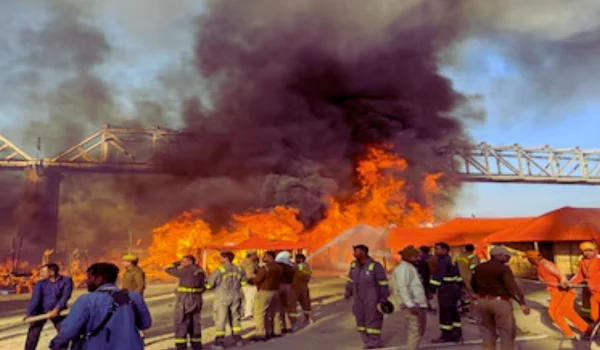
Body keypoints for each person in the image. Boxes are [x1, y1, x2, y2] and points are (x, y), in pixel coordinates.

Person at [49, 262, 151, 350]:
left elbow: (68, 331)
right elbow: (145, 324)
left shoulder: (86, 300)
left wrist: (55, 343)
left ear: (100, 279)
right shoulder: (134, 297)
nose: (86, 281)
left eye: (89, 277)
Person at [472, 245, 530, 350]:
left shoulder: (478, 267)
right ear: (499, 256)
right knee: (506, 331)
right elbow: (512, 287)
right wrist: (522, 303)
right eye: (507, 256)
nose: (509, 258)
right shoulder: (503, 268)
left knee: (487, 332)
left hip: (482, 302)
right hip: (500, 302)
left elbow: (473, 284)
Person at [526, 250, 591, 339]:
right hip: (556, 291)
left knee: (555, 313)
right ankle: (587, 330)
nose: (528, 261)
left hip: (563, 291)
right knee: (567, 312)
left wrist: (563, 282)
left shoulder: (545, 264)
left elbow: (560, 273)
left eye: (529, 259)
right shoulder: (538, 266)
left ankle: (571, 334)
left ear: (533, 258)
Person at [344, 244, 390, 349]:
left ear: (363, 252)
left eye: (356, 251)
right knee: (360, 319)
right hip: (358, 299)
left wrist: (383, 298)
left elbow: (383, 283)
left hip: (372, 299)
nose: (354, 253)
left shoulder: (375, 266)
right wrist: (348, 291)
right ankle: (366, 341)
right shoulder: (353, 265)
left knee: (373, 319)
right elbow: (350, 280)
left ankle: (375, 341)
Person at [24, 263, 74, 350]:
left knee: (64, 333)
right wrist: (29, 313)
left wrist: (56, 310)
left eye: (43, 271)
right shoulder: (40, 283)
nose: (40, 273)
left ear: (52, 272)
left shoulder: (67, 281)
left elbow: (65, 297)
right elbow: (35, 300)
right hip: (41, 311)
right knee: (32, 335)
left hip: (59, 311)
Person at [206, 250, 247, 349]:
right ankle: (237, 339)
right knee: (235, 317)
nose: (220, 259)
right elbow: (244, 283)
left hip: (222, 297)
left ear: (226, 258)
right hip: (236, 296)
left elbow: (209, 285)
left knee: (221, 319)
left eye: (221, 257)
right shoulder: (239, 269)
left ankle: (219, 342)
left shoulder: (219, 270)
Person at [166, 255, 206, 350]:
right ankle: (196, 345)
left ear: (190, 261)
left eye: (184, 261)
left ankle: (181, 346)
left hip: (185, 299)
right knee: (195, 323)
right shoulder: (200, 270)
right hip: (197, 299)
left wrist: (176, 263)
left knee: (181, 322)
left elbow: (168, 270)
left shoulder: (186, 270)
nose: (182, 263)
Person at [393, 246, 428, 350]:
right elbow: (402, 287)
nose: (418, 259)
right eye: (415, 257)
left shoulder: (409, 267)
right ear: (408, 257)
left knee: (419, 331)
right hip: (413, 305)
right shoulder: (403, 269)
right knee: (415, 331)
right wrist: (410, 305)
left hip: (418, 304)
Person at [428, 242, 462, 343]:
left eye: (438, 249)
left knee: (445, 314)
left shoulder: (442, 261)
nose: (435, 251)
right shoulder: (452, 260)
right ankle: (457, 333)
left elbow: (437, 278)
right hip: (454, 290)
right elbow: (459, 277)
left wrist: (431, 290)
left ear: (445, 250)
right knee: (454, 312)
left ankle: (446, 336)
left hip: (446, 291)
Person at [249, 250, 283, 341]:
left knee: (259, 313)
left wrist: (250, 280)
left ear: (270, 257)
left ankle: (261, 334)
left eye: (265, 256)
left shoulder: (265, 268)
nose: (262, 258)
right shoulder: (279, 267)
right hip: (275, 292)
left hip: (264, 292)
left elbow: (257, 280)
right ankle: (276, 331)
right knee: (275, 312)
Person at [570, 241, 600, 322]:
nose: (588, 253)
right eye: (585, 251)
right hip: (594, 293)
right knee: (594, 315)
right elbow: (581, 275)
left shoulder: (598, 260)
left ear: (595, 250)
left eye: (590, 250)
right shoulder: (582, 261)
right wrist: (571, 283)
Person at [455, 244, 479, 322]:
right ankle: (472, 316)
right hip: (469, 279)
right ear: (473, 249)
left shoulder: (458, 257)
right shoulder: (473, 257)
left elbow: (454, 267)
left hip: (458, 279)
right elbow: (474, 268)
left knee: (462, 296)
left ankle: (462, 310)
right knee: (473, 297)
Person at [290, 253, 313, 326]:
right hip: (304, 287)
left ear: (301, 259)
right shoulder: (307, 266)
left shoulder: (299, 266)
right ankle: (308, 318)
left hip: (296, 288)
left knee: (293, 305)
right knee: (306, 304)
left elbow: (298, 272)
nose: (295, 260)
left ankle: (293, 321)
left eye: (296, 258)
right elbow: (308, 275)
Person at [275, 251, 295, 333]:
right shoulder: (290, 266)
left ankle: (277, 329)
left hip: (280, 287)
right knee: (285, 308)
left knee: (277, 308)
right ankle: (288, 326)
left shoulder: (278, 267)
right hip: (289, 287)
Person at [241, 251, 259, 319]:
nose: (257, 256)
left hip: (244, 283)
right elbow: (249, 275)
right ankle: (248, 313)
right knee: (250, 298)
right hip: (250, 283)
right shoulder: (250, 263)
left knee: (247, 298)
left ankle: (247, 312)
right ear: (252, 255)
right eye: (255, 255)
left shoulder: (243, 261)